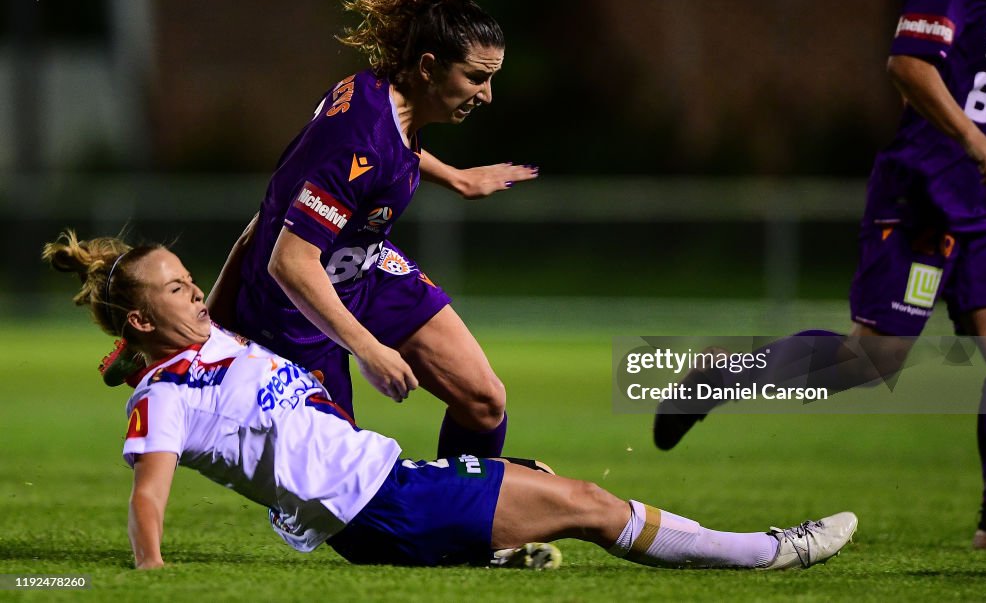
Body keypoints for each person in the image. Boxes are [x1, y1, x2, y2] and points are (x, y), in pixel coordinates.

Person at [42, 230, 858, 570]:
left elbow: (258, 232)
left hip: (382, 492)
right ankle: (768, 549)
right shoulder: (168, 392)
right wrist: (148, 573)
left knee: (530, 470)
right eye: (179, 291)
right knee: (586, 500)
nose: (199, 296)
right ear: (150, 318)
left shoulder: (199, 335)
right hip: (380, 503)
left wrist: (130, 344)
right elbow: (150, 490)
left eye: (192, 282)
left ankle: (492, 547)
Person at [654, 0, 986, 550]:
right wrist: (972, 139)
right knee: (872, 361)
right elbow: (907, 65)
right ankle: (724, 375)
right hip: (923, 196)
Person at [208, 0, 536, 460]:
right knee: (341, 492)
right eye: (476, 78)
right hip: (296, 305)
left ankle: (473, 520)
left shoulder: (378, 95)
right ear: (429, 67)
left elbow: (393, 151)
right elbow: (290, 261)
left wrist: (454, 178)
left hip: (365, 268)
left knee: (483, 401)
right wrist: (369, 349)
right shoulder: (358, 143)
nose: (487, 95)